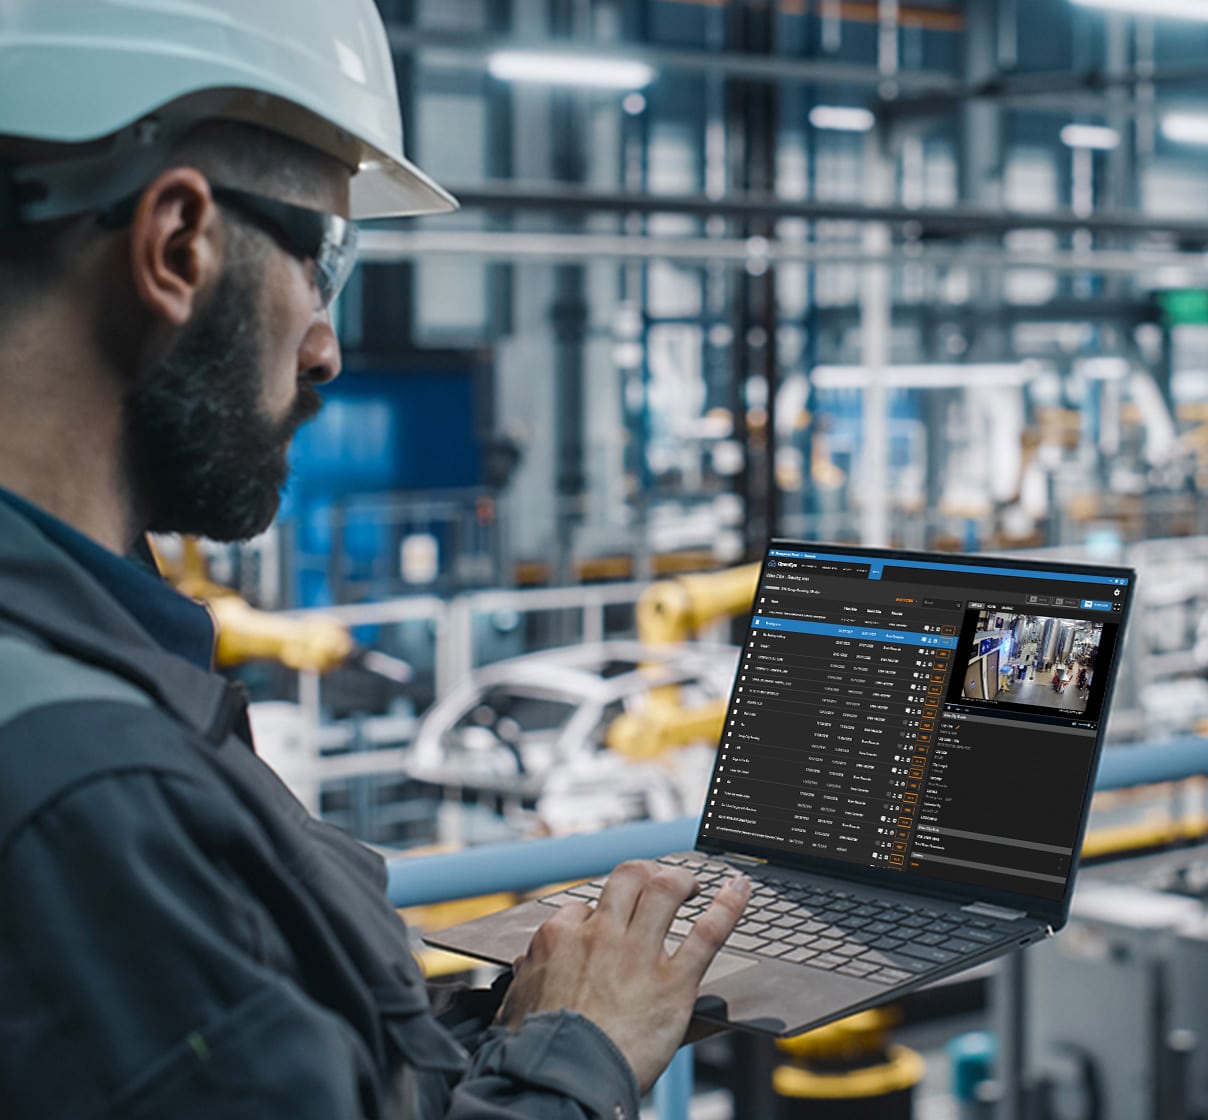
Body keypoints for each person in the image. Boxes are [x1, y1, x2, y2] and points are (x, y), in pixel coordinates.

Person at [0, 3, 750, 1117]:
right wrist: (581, 1056)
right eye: (323, 264)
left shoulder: (86, 669)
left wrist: (523, 1028)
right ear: (176, 245)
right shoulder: (93, 793)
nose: (327, 348)